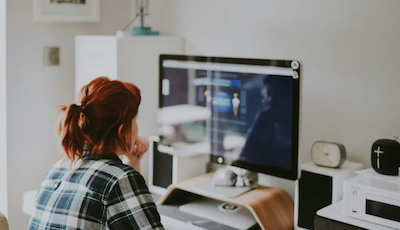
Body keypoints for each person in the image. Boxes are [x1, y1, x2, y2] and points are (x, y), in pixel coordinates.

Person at [28, 77, 164, 230]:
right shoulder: (119, 179)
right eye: (135, 119)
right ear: (122, 130)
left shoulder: (57, 169)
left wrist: (133, 162)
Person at [235, 76, 293, 169]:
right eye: (268, 94)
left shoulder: (296, 127)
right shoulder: (264, 120)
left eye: (276, 95)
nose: (270, 100)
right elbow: (243, 158)